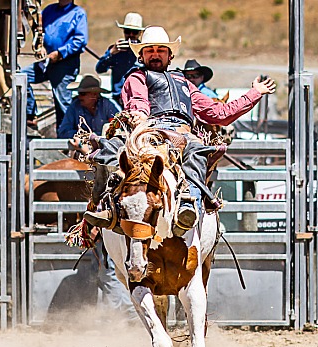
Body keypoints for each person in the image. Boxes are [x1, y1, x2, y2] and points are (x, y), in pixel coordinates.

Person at [84, 26, 276, 236]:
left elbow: (218, 113)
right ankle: (106, 207)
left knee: (197, 151)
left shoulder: (184, 83)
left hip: (183, 135)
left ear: (170, 55)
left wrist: (254, 94)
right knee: (110, 148)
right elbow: (138, 101)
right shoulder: (136, 78)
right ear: (141, 55)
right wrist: (139, 115)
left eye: (160, 50)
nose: (155, 54)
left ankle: (188, 205)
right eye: (150, 50)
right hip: (150, 130)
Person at [22, 0, 88, 129]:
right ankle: (30, 114)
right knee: (23, 76)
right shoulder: (49, 10)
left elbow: (80, 40)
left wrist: (61, 53)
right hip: (48, 61)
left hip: (65, 64)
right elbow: (40, 32)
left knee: (62, 103)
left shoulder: (78, 13)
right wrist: (40, 46)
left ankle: (67, 138)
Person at [95, 12, 144, 106]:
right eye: (127, 31)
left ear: (140, 33)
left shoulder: (144, 51)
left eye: (134, 32)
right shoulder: (116, 49)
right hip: (118, 98)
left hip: (138, 98)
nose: (131, 35)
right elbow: (99, 69)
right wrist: (111, 53)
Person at [57, 74, 120, 140]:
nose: (79, 97)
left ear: (95, 95)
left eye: (83, 94)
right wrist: (85, 136)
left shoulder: (108, 105)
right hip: (81, 146)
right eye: (79, 93)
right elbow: (64, 131)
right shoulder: (74, 106)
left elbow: (119, 127)